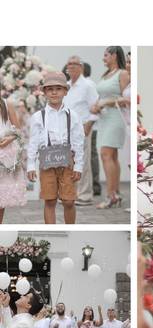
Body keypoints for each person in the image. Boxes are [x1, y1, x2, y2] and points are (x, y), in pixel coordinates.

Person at [26, 71, 84, 224]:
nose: (54, 92)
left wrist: (79, 165)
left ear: (65, 91)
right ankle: (51, 229)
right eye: (49, 88)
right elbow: (33, 142)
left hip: (68, 162)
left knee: (69, 201)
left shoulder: (73, 116)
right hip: (47, 163)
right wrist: (31, 164)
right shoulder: (38, 116)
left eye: (58, 88)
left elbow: (78, 141)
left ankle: (70, 228)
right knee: (49, 200)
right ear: (44, 92)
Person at [90, 47, 129, 209]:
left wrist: (106, 103)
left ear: (114, 55)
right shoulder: (105, 75)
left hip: (116, 117)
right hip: (104, 118)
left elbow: (126, 97)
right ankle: (116, 193)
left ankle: (110, 195)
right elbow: (101, 96)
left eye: (106, 55)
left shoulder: (123, 74)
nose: (103, 58)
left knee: (106, 154)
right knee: (111, 156)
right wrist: (95, 106)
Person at [63, 55, 99, 207]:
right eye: (69, 64)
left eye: (74, 64)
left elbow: (96, 106)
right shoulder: (67, 85)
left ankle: (85, 195)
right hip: (66, 128)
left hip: (82, 127)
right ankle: (72, 193)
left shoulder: (88, 85)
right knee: (69, 163)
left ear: (81, 67)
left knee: (82, 163)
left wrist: (89, 124)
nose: (70, 66)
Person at [0, 97, 27, 222]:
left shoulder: (6, 104)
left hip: (4, 155)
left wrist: (9, 139)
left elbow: (17, 129)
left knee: (1, 197)